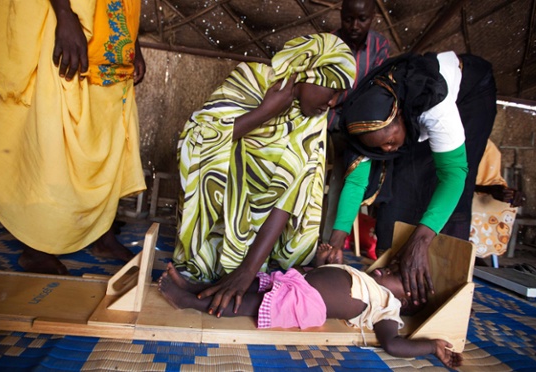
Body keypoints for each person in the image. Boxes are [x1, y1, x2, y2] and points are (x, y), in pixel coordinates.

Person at [174, 34, 356, 317]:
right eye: (331, 89)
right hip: (220, 216)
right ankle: (219, 268)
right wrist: (264, 112)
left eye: (339, 94)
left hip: (262, 239)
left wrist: (247, 270)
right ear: (306, 71)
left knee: (256, 283)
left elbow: (288, 198)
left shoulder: (312, 121)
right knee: (209, 270)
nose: (332, 102)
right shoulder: (250, 81)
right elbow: (194, 142)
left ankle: (246, 275)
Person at [0, 0, 147, 274]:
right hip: (63, 18)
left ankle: (102, 235)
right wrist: (65, 15)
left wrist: (132, 40)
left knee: (107, 133)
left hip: (111, 31)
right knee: (52, 130)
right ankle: (36, 249)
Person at [326, 51, 497, 305]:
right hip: (410, 119)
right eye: (378, 148)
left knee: (450, 195)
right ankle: (397, 280)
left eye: (390, 142)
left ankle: (444, 291)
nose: (386, 150)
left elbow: (453, 174)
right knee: (401, 185)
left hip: (471, 97)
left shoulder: (433, 105)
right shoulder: (364, 121)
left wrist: (421, 239)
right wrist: (336, 242)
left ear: (401, 117)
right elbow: (356, 182)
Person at [159, 246, 462, 369]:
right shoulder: (367, 277)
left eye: (396, 274)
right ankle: (192, 288)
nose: (386, 269)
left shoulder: (388, 307)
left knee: (243, 303)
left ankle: (186, 300)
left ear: (406, 300)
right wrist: (324, 264)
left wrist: (430, 347)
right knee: (239, 286)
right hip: (295, 282)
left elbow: (392, 344)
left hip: (301, 303)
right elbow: (333, 278)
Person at [322, 0, 391, 252]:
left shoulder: (379, 46)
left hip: (355, 126)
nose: (354, 25)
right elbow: (321, 91)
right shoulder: (328, 43)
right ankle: (300, 240)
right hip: (323, 122)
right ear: (341, 15)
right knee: (311, 174)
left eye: (361, 19)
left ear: (372, 17)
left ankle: (328, 244)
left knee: (346, 176)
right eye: (348, 18)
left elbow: (374, 92)